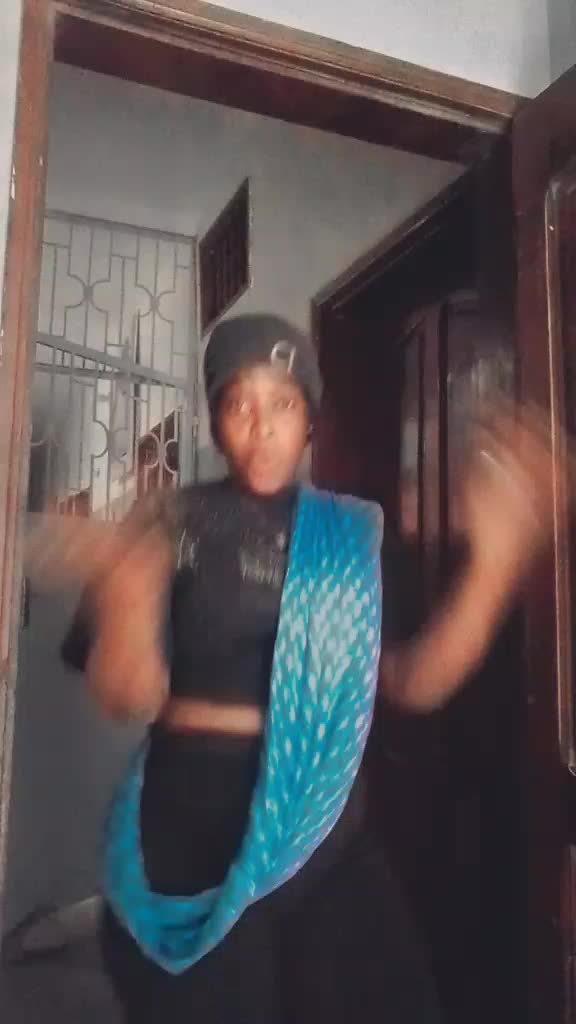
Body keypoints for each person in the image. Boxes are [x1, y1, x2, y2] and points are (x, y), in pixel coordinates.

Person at [27, 313, 565, 1024]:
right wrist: (124, 588)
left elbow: (414, 680)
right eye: (238, 403)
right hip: (192, 831)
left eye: (281, 402)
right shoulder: (167, 521)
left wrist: (495, 563)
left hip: (326, 828)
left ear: (309, 418)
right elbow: (129, 697)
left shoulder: (351, 535)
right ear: (216, 418)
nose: (262, 426)